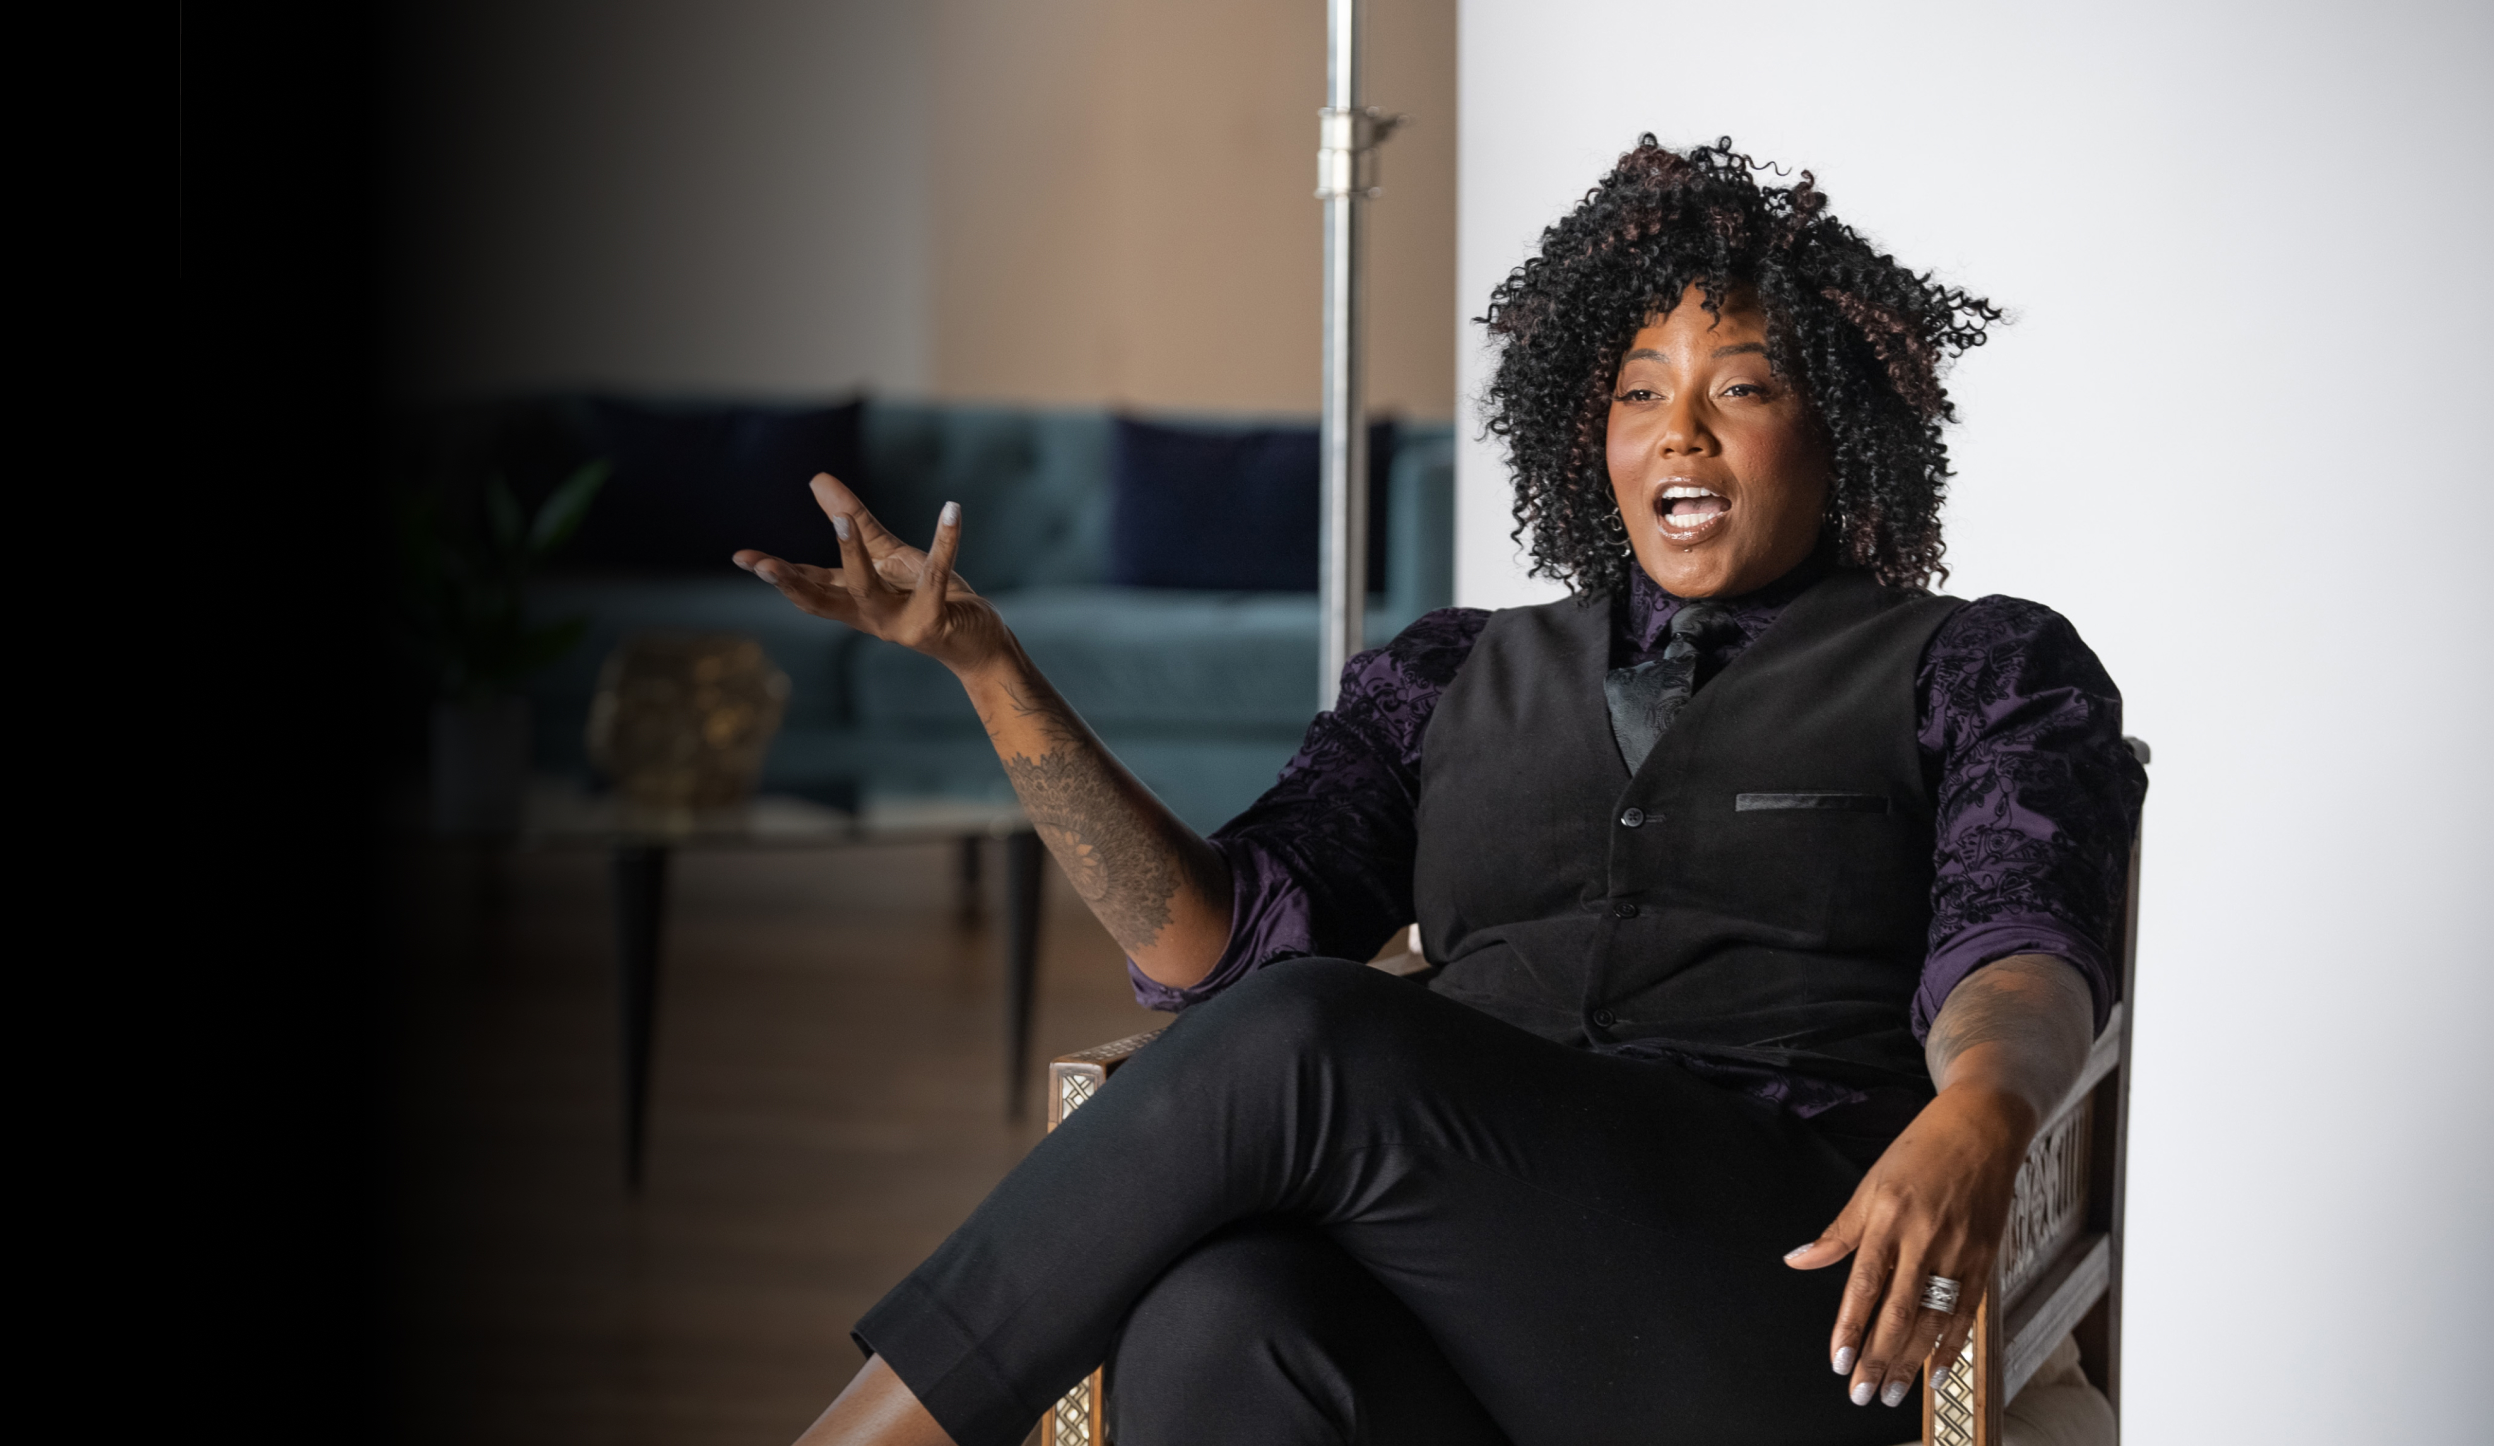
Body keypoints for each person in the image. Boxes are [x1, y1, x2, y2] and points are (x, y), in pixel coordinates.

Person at [736, 137, 2146, 1445]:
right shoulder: (1447, 673)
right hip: (1485, 1287)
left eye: (1744, 387)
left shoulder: (1977, 664)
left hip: (1788, 1292)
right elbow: (1221, 954)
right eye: (1639, 389)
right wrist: (991, 670)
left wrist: (1980, 1104)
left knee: (1313, 1036)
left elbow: (2015, 940)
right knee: (1217, 1321)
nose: (1681, 433)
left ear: (1838, 428)